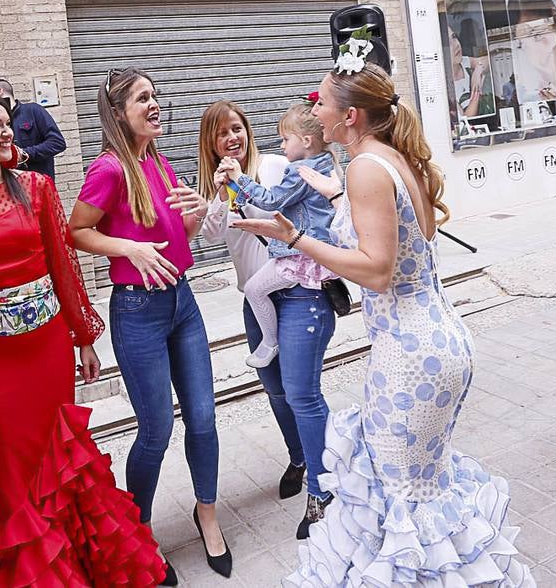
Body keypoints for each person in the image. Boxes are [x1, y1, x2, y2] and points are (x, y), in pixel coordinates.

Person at [234, 45, 533, 586]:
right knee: (423, 489)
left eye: (321, 102)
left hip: (411, 355)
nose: (315, 111)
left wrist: (295, 237)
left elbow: (375, 271)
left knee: (400, 503)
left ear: (349, 115)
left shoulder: (367, 169)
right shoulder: (389, 157)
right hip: (436, 340)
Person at [0, 89, 162, 587]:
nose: (8, 133)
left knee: (62, 460)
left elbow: (63, 266)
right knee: (7, 477)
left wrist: (82, 336)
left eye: (7, 123)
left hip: (45, 349)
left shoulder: (37, 189)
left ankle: (79, 568)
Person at [69, 68, 230, 582]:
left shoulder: (158, 161)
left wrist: (200, 212)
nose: (155, 104)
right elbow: (76, 231)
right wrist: (127, 248)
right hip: (138, 312)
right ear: (119, 112)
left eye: (156, 95)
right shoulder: (109, 170)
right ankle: (137, 534)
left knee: (203, 418)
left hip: (183, 302)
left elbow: (179, 234)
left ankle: (206, 512)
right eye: (143, 98)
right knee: (157, 429)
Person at [196, 101, 335, 539]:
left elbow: (298, 198)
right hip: (255, 297)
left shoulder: (278, 164)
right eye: (222, 134)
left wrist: (245, 184)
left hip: (295, 291)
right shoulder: (217, 183)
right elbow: (213, 234)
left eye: (237, 128)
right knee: (276, 391)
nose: (232, 138)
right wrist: (220, 192)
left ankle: (322, 483)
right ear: (212, 143)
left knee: (300, 393)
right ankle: (300, 457)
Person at [216, 103, 337, 370]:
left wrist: (240, 178)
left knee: (253, 289)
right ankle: (270, 342)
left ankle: (270, 342)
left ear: (306, 140)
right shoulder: (323, 162)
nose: (282, 146)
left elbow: (272, 201)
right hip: (310, 250)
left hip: (298, 255)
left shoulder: (297, 170)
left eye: (285, 139)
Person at [0, 78, 68, 180]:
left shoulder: (33, 110)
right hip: (10, 185)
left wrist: (23, 154)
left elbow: (57, 143)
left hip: (38, 185)